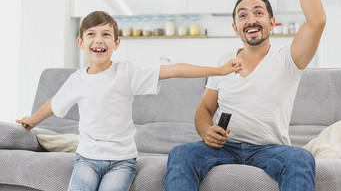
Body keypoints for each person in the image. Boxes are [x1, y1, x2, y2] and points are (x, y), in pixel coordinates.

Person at [16, 10, 242, 191]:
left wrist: (219, 70)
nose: (99, 40)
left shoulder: (127, 72)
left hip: (122, 162)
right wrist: (33, 120)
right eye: (92, 34)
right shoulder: (76, 80)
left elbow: (174, 70)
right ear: (81, 42)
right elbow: (53, 105)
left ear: (116, 43)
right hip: (86, 158)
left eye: (106, 34)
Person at [164, 0, 326, 190]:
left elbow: (317, 21)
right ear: (235, 28)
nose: (251, 19)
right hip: (224, 147)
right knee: (181, 153)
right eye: (243, 15)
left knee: (301, 158)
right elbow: (205, 109)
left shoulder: (287, 58)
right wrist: (207, 131)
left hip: (270, 149)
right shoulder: (224, 61)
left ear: (272, 23)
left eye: (259, 13)